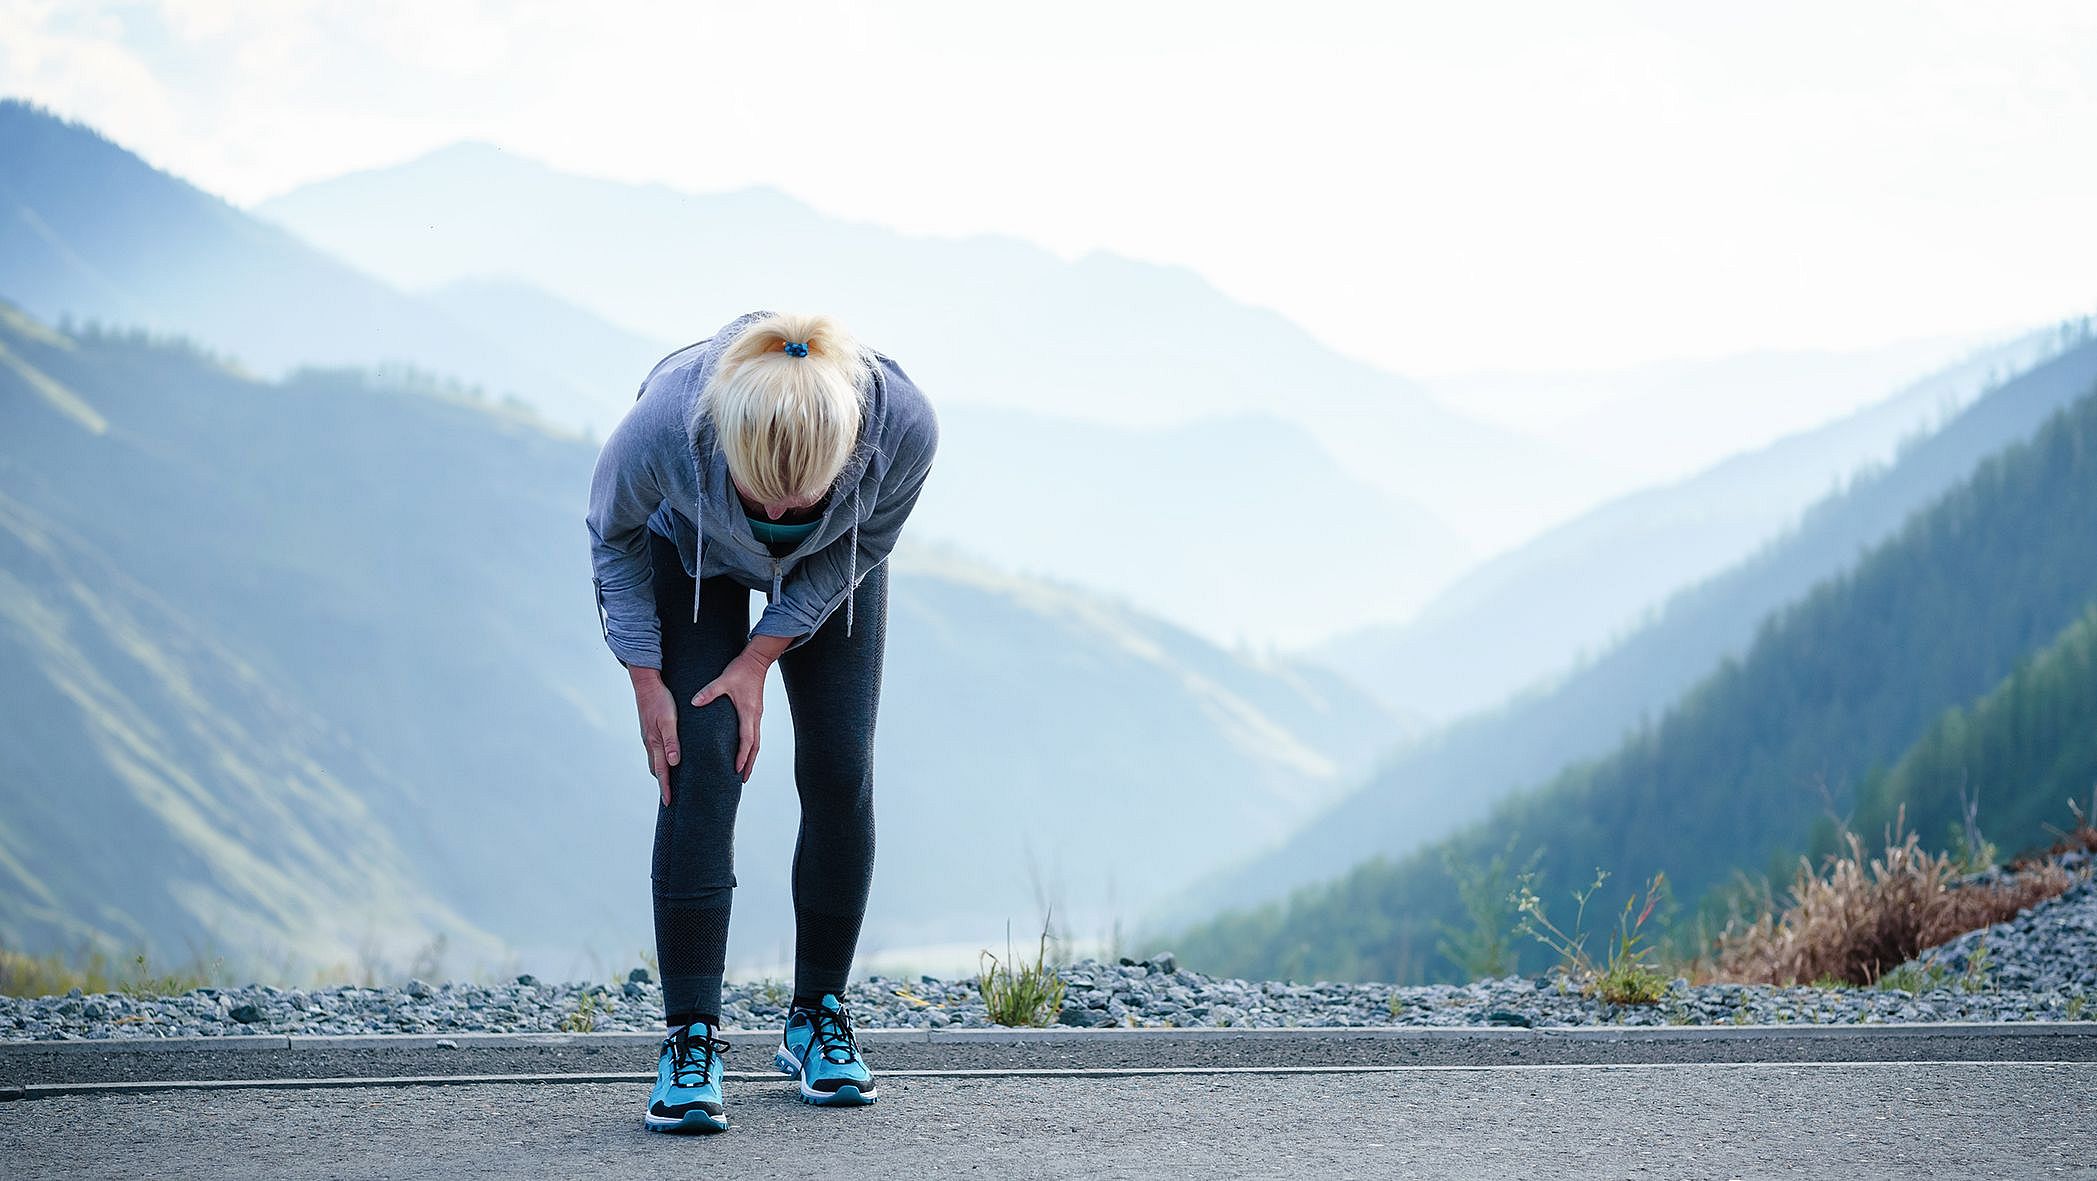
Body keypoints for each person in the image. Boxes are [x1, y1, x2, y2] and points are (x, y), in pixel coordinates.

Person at [586, 308, 939, 1133]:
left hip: (837, 564)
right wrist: (645, 676)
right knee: (697, 754)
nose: (778, 519)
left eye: (799, 503)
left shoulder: (902, 431)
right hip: (690, 551)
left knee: (839, 764)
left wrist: (759, 656)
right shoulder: (664, 429)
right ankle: (690, 1038)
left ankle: (817, 1013)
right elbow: (612, 536)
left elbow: (871, 544)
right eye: (760, 500)